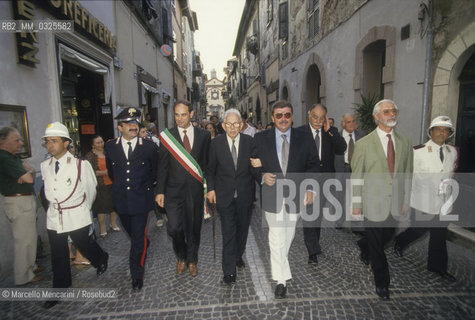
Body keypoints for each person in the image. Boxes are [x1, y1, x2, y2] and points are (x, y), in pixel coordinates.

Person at [252, 100, 319, 299]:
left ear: (292, 117)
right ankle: (280, 280)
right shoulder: (260, 138)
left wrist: (310, 188)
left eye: (287, 115)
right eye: (279, 115)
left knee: (288, 235)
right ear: (272, 118)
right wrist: (261, 175)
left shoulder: (304, 138)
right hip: (272, 195)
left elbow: (313, 166)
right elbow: (252, 164)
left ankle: (283, 270)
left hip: (296, 195)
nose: (283, 119)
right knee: (276, 236)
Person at [41, 122, 108, 308]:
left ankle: (101, 258)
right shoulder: (45, 165)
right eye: (47, 142)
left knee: (83, 243)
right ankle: (60, 287)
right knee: (58, 253)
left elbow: (90, 190)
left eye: (54, 141)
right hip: (55, 216)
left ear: (65, 143)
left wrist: (82, 210)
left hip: (76, 213)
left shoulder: (80, 164)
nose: (50, 145)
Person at [351, 99, 413, 300]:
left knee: (388, 236)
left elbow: (407, 173)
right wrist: (357, 204)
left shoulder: (405, 142)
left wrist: (405, 200)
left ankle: (364, 243)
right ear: (377, 116)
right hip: (373, 202)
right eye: (386, 111)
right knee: (378, 246)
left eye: (394, 110)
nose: (391, 114)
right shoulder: (363, 144)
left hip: (395, 202)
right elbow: (357, 176)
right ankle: (382, 282)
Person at [394, 116, 458, 282]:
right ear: (431, 132)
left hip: (442, 203)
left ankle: (438, 267)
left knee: (439, 235)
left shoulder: (452, 152)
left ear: (449, 134)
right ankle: (400, 241)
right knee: (418, 230)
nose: (442, 133)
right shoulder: (417, 152)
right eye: (438, 129)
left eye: (446, 130)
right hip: (421, 200)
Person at [105, 107, 159, 291]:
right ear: (119, 127)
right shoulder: (110, 147)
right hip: (121, 201)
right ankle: (144, 241)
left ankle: (137, 275)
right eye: (128, 124)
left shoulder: (150, 147)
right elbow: (112, 173)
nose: (133, 126)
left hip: (141, 201)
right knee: (134, 234)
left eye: (135, 122)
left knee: (137, 240)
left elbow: (154, 173)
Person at [156, 100, 211, 277]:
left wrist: (210, 188)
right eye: (176, 115)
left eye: (183, 115)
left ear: (192, 114)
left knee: (194, 228)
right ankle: (181, 255)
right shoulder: (167, 136)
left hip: (195, 191)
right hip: (173, 191)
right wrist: (160, 191)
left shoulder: (204, 135)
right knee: (174, 228)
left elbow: (206, 164)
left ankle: (192, 260)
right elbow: (162, 166)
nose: (179, 119)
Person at [206, 109, 259, 284]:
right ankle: (229, 271)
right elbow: (210, 170)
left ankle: (238, 254)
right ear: (223, 125)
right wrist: (211, 189)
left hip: (245, 195)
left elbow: (254, 167)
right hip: (224, 196)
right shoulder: (216, 144)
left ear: (242, 125)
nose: (233, 127)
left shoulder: (250, 142)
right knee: (228, 232)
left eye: (236, 123)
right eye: (229, 124)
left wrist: (262, 168)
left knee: (242, 230)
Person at [297, 104, 346, 263]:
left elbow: (342, 148)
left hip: (325, 181)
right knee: (309, 215)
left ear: (325, 117)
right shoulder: (299, 133)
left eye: (321, 118)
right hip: (307, 180)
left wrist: (329, 130)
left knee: (317, 216)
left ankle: (314, 243)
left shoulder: (331, 132)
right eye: (314, 117)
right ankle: (312, 250)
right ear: (309, 116)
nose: (317, 121)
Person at [0, 127, 44, 285]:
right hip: (18, 202)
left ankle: (31, 266)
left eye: (20, 139)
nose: (20, 143)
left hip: (24, 200)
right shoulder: (4, 157)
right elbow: (29, 178)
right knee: (23, 239)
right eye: (16, 140)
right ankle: (23, 275)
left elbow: (29, 172)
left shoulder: (12, 157)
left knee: (30, 237)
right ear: (3, 142)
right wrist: (27, 174)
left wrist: (28, 173)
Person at [334, 113, 365, 228]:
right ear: (343, 124)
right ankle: (339, 221)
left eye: (353, 121)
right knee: (340, 196)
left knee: (356, 196)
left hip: (357, 170)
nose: (351, 124)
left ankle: (355, 222)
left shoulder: (362, 135)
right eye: (348, 122)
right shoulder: (337, 136)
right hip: (342, 168)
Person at [85, 135, 119, 238]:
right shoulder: (90, 156)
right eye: (98, 143)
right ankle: (102, 228)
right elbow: (90, 172)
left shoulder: (108, 153)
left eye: (102, 142)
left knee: (114, 206)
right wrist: (105, 172)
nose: (101, 144)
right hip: (100, 185)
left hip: (112, 183)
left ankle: (113, 223)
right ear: (93, 145)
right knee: (102, 208)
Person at [138, 124, 165, 228]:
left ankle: (164, 213)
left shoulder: (153, 141)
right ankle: (159, 217)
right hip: (144, 177)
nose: (145, 134)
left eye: (146, 131)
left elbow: (160, 157)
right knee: (152, 198)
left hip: (155, 175)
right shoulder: (135, 145)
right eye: (143, 132)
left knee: (159, 195)